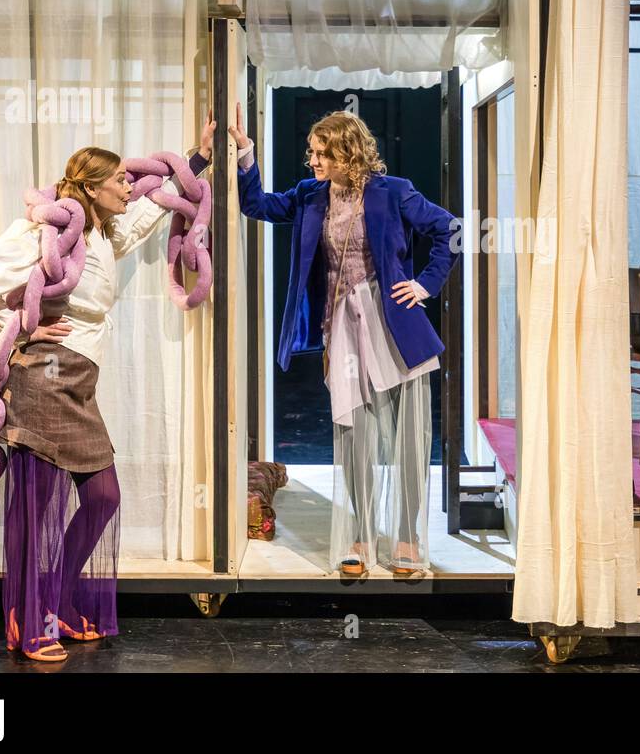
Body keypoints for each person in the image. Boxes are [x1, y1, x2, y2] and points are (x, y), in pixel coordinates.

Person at [0, 142, 206, 662]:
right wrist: (19, 325)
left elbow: (148, 212)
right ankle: (28, 617)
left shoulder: (104, 233)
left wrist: (197, 157)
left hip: (80, 381)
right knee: (38, 508)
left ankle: (58, 598)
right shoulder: (47, 232)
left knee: (102, 496)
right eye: (120, 183)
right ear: (91, 188)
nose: (130, 187)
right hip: (42, 374)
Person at [191, 106, 457, 577]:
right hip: (344, 328)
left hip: (393, 325)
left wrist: (425, 285)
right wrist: (245, 152)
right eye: (311, 152)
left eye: (320, 153)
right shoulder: (312, 196)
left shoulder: (393, 192)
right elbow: (259, 206)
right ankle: (359, 532)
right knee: (353, 433)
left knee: (408, 441)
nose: (310, 160)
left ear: (346, 152)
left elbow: (448, 230)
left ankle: (408, 537)